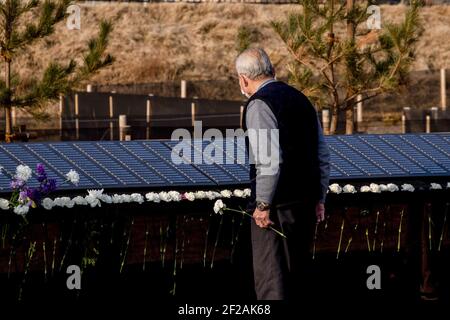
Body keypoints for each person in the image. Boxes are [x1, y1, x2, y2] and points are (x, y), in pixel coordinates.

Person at [235, 48, 330, 300]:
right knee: (296, 279)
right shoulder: (302, 99)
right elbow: (322, 154)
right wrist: (320, 198)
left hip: (277, 208)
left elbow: (268, 160)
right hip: (306, 205)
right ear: (271, 71)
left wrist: (262, 204)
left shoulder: (258, 104)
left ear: (244, 79)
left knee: (272, 282)